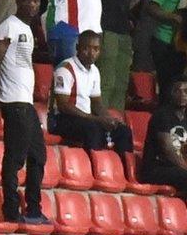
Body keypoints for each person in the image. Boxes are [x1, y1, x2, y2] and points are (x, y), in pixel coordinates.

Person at [0, 0, 47, 224]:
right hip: (13, 101)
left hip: (26, 102)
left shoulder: (28, 29)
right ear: (18, 0)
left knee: (38, 156)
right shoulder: (8, 26)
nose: (32, 5)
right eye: (28, 0)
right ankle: (11, 209)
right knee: (14, 158)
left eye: (36, 0)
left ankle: (33, 208)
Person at [49, 30, 133, 160]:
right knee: (93, 129)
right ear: (77, 48)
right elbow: (63, 106)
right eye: (86, 48)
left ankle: (123, 172)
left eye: (96, 49)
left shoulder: (94, 71)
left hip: (86, 119)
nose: (91, 53)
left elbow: (97, 103)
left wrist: (109, 119)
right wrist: (95, 119)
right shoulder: (65, 69)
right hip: (64, 119)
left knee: (123, 131)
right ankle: (94, 168)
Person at [139, 77, 187, 202]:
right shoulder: (162, 115)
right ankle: (180, 206)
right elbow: (167, 148)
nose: (182, 94)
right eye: (178, 91)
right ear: (171, 93)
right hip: (156, 168)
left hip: (174, 169)